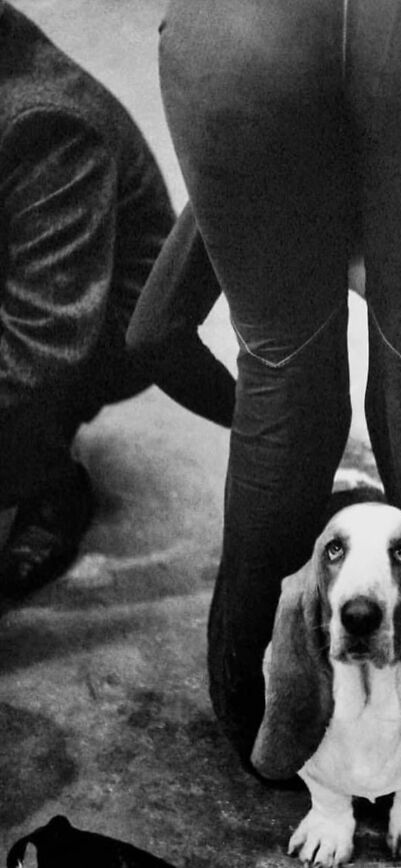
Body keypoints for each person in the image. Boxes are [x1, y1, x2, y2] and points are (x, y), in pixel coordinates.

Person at [128, 0, 401, 779]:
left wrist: (261, 425)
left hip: (247, 33)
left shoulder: (269, 177)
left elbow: (153, 334)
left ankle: (258, 725)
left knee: (285, 396)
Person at [0, 1, 175, 597]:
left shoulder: (43, 119)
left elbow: (42, 347)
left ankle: (46, 481)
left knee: (35, 389)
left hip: (102, 325)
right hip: (35, 273)